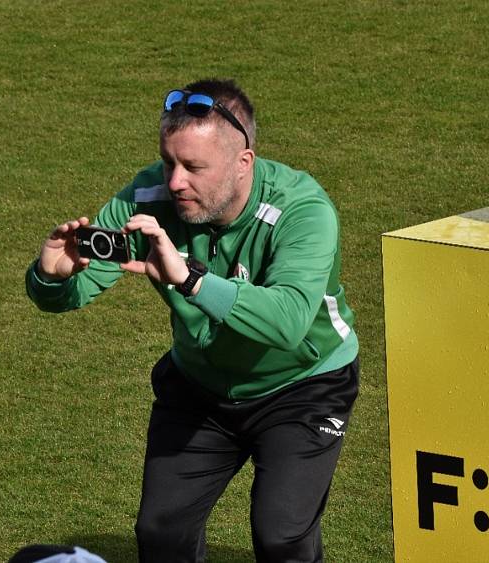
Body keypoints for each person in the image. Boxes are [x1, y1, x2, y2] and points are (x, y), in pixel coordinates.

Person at [26, 78, 359, 563]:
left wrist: (191, 279)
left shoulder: (302, 210)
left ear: (243, 162)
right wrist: (51, 277)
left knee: (281, 536)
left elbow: (288, 322)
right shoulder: (149, 196)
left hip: (302, 386)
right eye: (169, 161)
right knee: (161, 534)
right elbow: (71, 291)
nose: (176, 181)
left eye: (194, 167)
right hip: (200, 387)